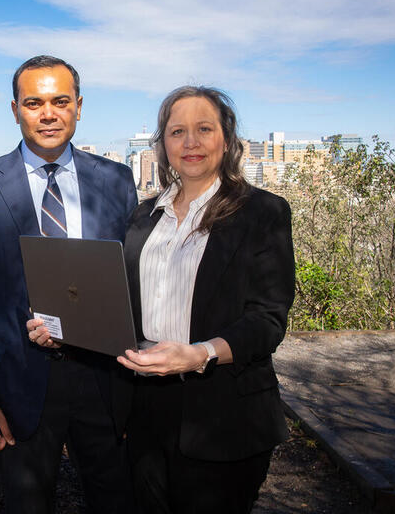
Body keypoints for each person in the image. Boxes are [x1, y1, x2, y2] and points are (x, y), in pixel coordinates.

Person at [0, 55, 138, 514]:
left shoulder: (116, 179)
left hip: (104, 381)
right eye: (34, 102)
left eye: (60, 101)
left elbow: (130, 279)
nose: (48, 113)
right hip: (18, 386)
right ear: (15, 110)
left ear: (78, 107)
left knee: (117, 500)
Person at [116, 86, 294, 514]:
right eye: (177, 131)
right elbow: (120, 304)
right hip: (145, 410)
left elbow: (268, 320)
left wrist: (200, 354)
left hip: (224, 413)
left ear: (227, 141)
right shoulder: (143, 216)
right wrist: (62, 327)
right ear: (163, 146)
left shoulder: (262, 212)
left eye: (203, 129)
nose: (190, 142)